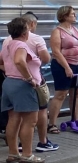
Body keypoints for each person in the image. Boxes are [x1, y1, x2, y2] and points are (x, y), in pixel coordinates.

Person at [0, 18, 44, 163]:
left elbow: (1, 62)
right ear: (25, 31)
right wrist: (29, 78)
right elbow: (19, 61)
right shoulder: (20, 45)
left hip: (9, 83)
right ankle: (27, 155)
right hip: (22, 86)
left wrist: (10, 72)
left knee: (13, 119)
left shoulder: (8, 44)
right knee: (30, 121)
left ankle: (13, 154)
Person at [47, 6, 78, 135]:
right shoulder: (57, 32)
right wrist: (66, 67)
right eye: (73, 14)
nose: (75, 16)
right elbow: (56, 52)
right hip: (62, 65)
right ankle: (51, 124)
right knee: (61, 94)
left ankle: (75, 120)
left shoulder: (75, 30)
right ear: (65, 16)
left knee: (76, 93)